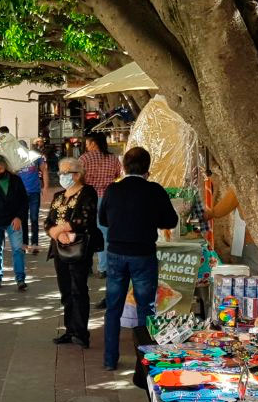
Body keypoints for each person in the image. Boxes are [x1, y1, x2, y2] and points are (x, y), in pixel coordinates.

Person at [100, 147, 178, 371]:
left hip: (115, 253)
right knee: (146, 308)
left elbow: (103, 219)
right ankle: (144, 364)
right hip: (143, 255)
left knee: (113, 307)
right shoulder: (154, 190)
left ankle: (109, 360)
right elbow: (170, 221)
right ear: (148, 168)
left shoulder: (113, 190)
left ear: (124, 166)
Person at [45, 158, 102, 348]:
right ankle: (70, 329)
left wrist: (60, 230)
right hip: (59, 248)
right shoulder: (59, 196)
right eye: (60, 172)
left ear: (77, 174)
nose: (62, 176)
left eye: (65, 173)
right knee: (65, 290)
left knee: (79, 289)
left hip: (79, 247)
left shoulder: (87, 192)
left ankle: (81, 332)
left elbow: (84, 218)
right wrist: (55, 233)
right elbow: (48, 221)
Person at [80, 132, 121, 285]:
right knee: (104, 233)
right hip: (108, 198)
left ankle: (87, 265)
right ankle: (104, 267)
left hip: (88, 198)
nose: (86, 146)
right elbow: (118, 175)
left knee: (86, 232)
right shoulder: (113, 159)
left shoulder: (84, 159)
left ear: (93, 143)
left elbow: (77, 177)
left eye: (87, 143)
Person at [0, 154, 29, 290]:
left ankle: (20, 279)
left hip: (13, 220)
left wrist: (19, 217)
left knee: (17, 249)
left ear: (5, 167)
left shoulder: (16, 180)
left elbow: (24, 201)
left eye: (0, 169)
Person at [18, 141, 43, 255]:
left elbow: (44, 169)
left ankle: (34, 244)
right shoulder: (15, 159)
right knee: (22, 220)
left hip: (34, 192)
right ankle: (24, 244)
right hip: (21, 194)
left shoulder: (35, 157)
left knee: (34, 218)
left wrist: (46, 187)